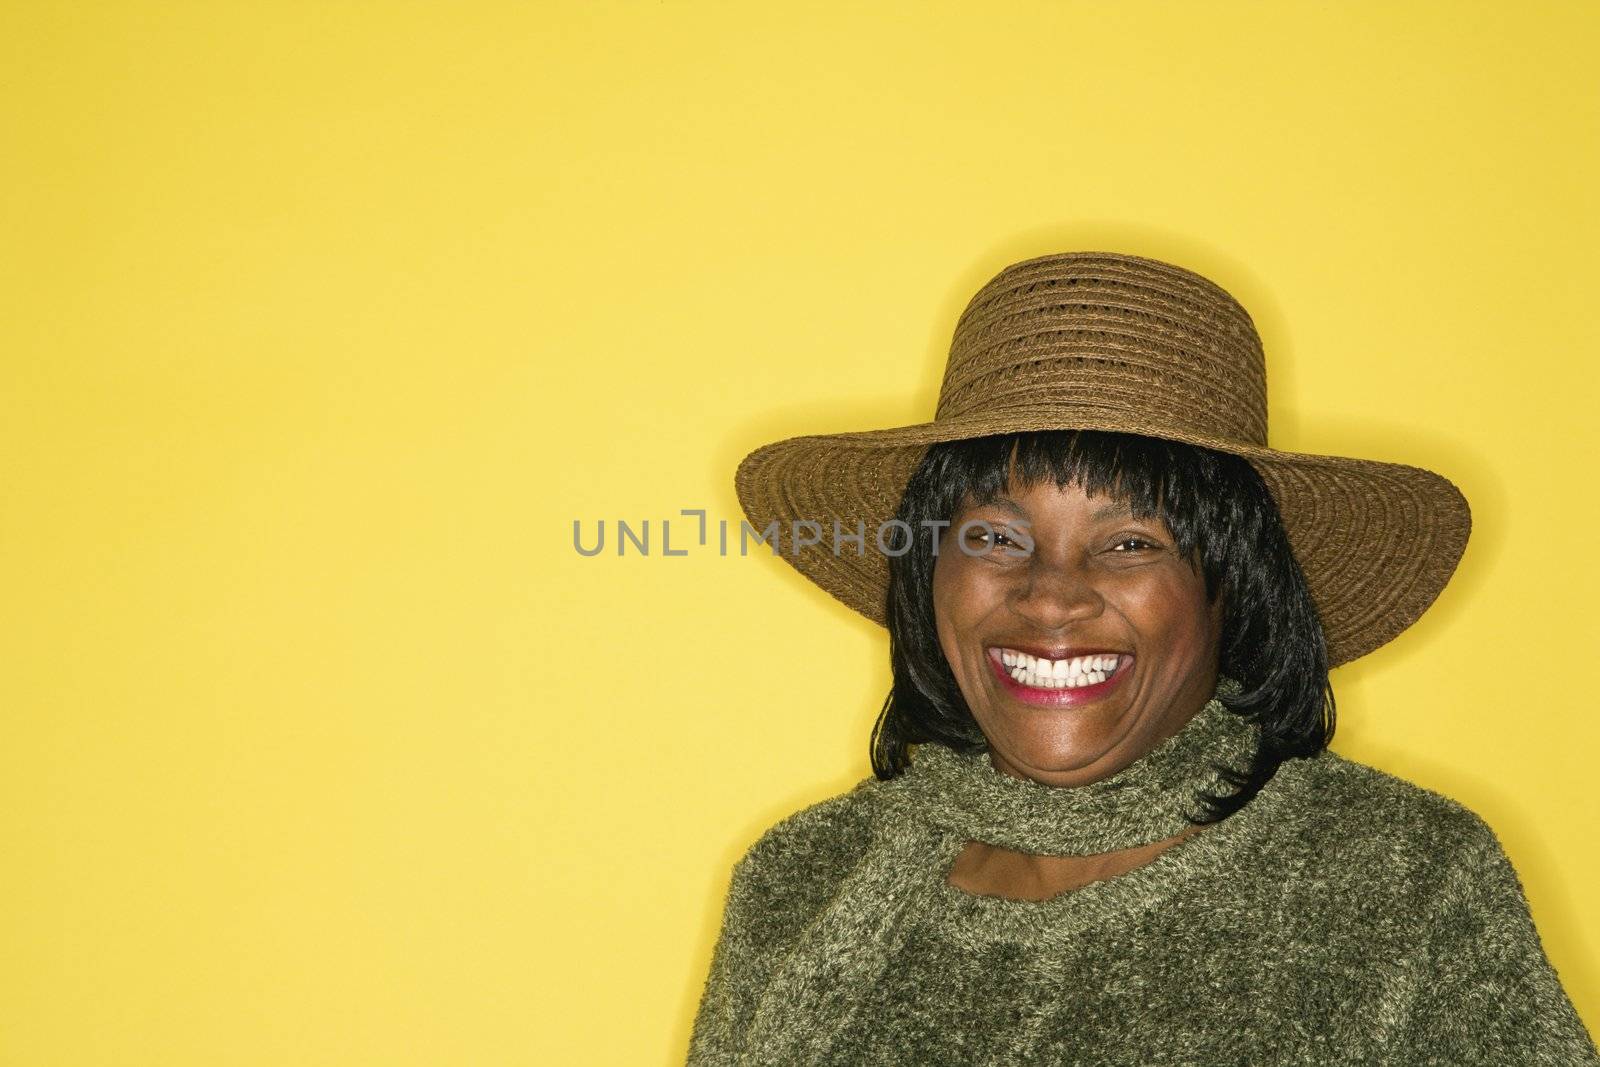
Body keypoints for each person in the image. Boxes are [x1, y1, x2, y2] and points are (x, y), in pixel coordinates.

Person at [686, 251, 1599, 1065]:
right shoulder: (801, 878)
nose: (1049, 596)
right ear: (930, 573)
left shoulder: (1399, 881)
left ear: (1233, 587)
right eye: (997, 537)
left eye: (1130, 544)